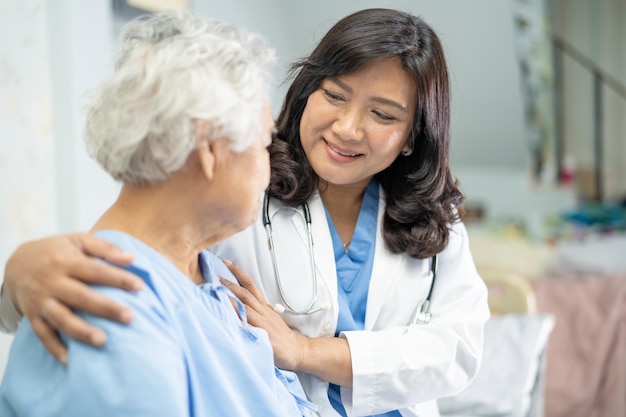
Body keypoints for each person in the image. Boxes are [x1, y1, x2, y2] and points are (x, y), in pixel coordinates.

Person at [0, 8, 489, 417]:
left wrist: (305, 354)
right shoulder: (214, 222)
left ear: (412, 137)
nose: (347, 127)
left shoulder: (434, 224)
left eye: (382, 115)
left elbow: (459, 349)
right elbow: (135, 248)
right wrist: (17, 276)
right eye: (335, 95)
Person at [0, 10, 316, 417]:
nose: (270, 167)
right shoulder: (103, 298)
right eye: (262, 144)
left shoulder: (217, 279)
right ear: (210, 149)